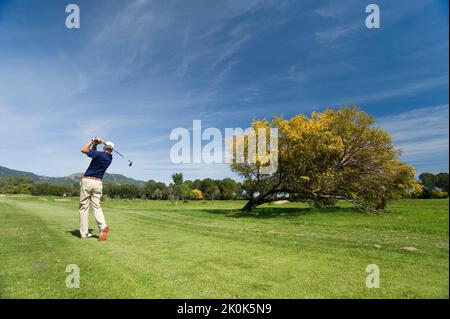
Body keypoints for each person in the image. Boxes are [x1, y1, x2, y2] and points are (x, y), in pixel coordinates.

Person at [79, 137, 114, 241]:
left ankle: (84, 233)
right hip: (98, 183)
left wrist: (92, 140)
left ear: (105, 147)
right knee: (96, 207)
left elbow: (84, 149)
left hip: (88, 181)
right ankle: (103, 227)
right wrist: (96, 143)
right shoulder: (109, 158)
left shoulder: (100, 155)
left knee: (84, 208)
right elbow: (94, 152)